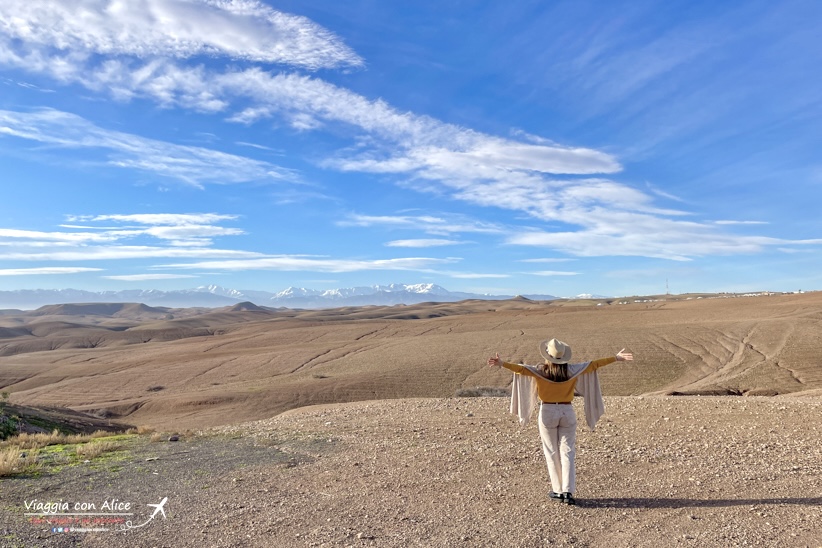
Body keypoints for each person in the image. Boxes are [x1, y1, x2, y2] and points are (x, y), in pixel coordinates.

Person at [487, 338, 633, 505]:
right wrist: (615, 358)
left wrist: (502, 363)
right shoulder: (572, 370)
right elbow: (594, 364)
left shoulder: (540, 370)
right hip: (567, 411)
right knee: (568, 451)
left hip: (547, 412)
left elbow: (520, 369)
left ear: (547, 356)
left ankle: (557, 490)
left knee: (551, 451)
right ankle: (568, 491)